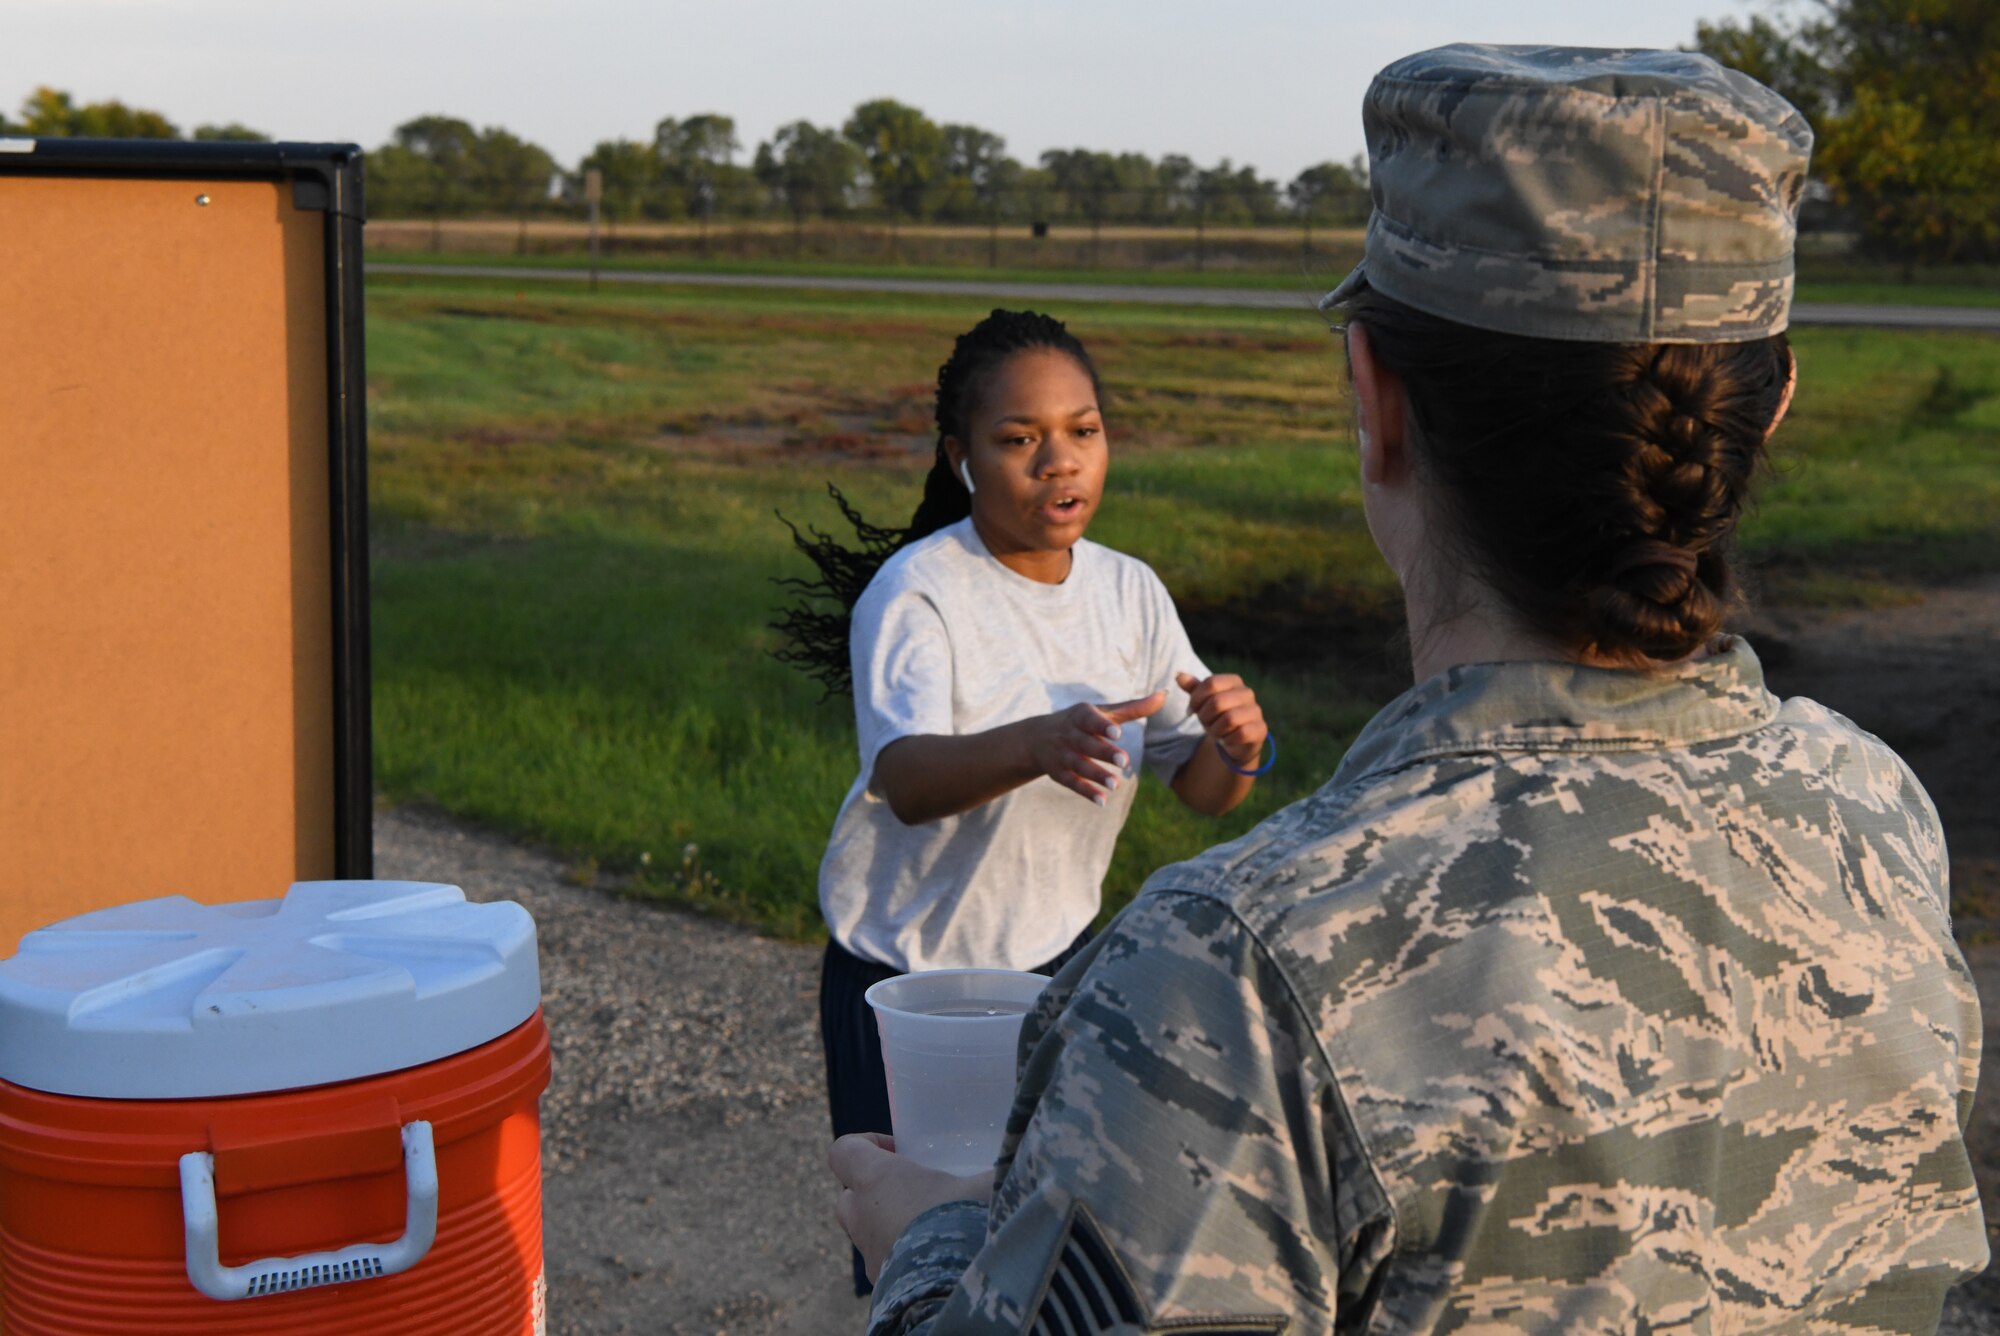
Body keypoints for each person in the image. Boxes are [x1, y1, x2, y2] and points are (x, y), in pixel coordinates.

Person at [830, 45, 1988, 1334]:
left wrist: (930, 1240)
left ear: (1374, 404)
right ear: (1766, 416)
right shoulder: (1877, 814)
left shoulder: (1236, 972)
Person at [777, 307, 1271, 1295]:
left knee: (1044, 1245)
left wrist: (1237, 747)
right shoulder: (918, 593)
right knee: (920, 1252)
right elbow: (906, 780)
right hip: (903, 979)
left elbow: (1198, 789)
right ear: (960, 458)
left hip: (1052, 966)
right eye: (1018, 440)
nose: (1059, 462)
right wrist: (1036, 743)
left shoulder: (1129, 594)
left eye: (1082, 430)